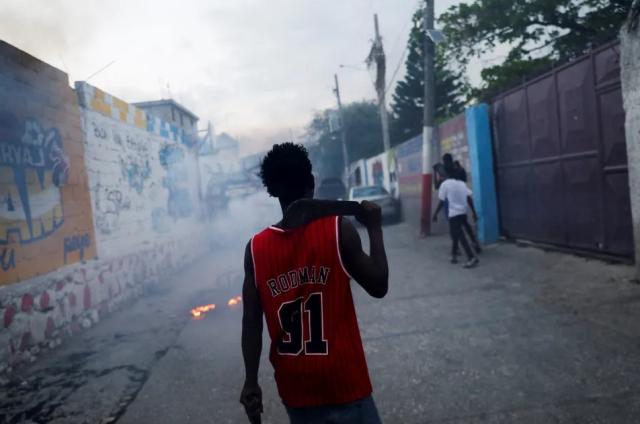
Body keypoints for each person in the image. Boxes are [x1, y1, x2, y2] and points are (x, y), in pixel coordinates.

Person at [240, 142, 389, 424]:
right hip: (344, 383)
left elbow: (251, 321)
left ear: (270, 190)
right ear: (312, 183)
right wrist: (374, 227)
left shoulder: (256, 249)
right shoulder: (337, 230)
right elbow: (379, 285)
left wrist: (250, 381)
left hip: (296, 389)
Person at [432, 170, 479, 268]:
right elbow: (469, 199)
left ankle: (471, 258)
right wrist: (474, 212)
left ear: (443, 176)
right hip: (463, 213)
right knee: (455, 234)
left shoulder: (444, 185)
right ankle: (453, 256)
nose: (439, 179)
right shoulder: (461, 183)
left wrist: (435, 213)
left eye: (440, 177)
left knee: (460, 236)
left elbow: (442, 201)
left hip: (454, 214)